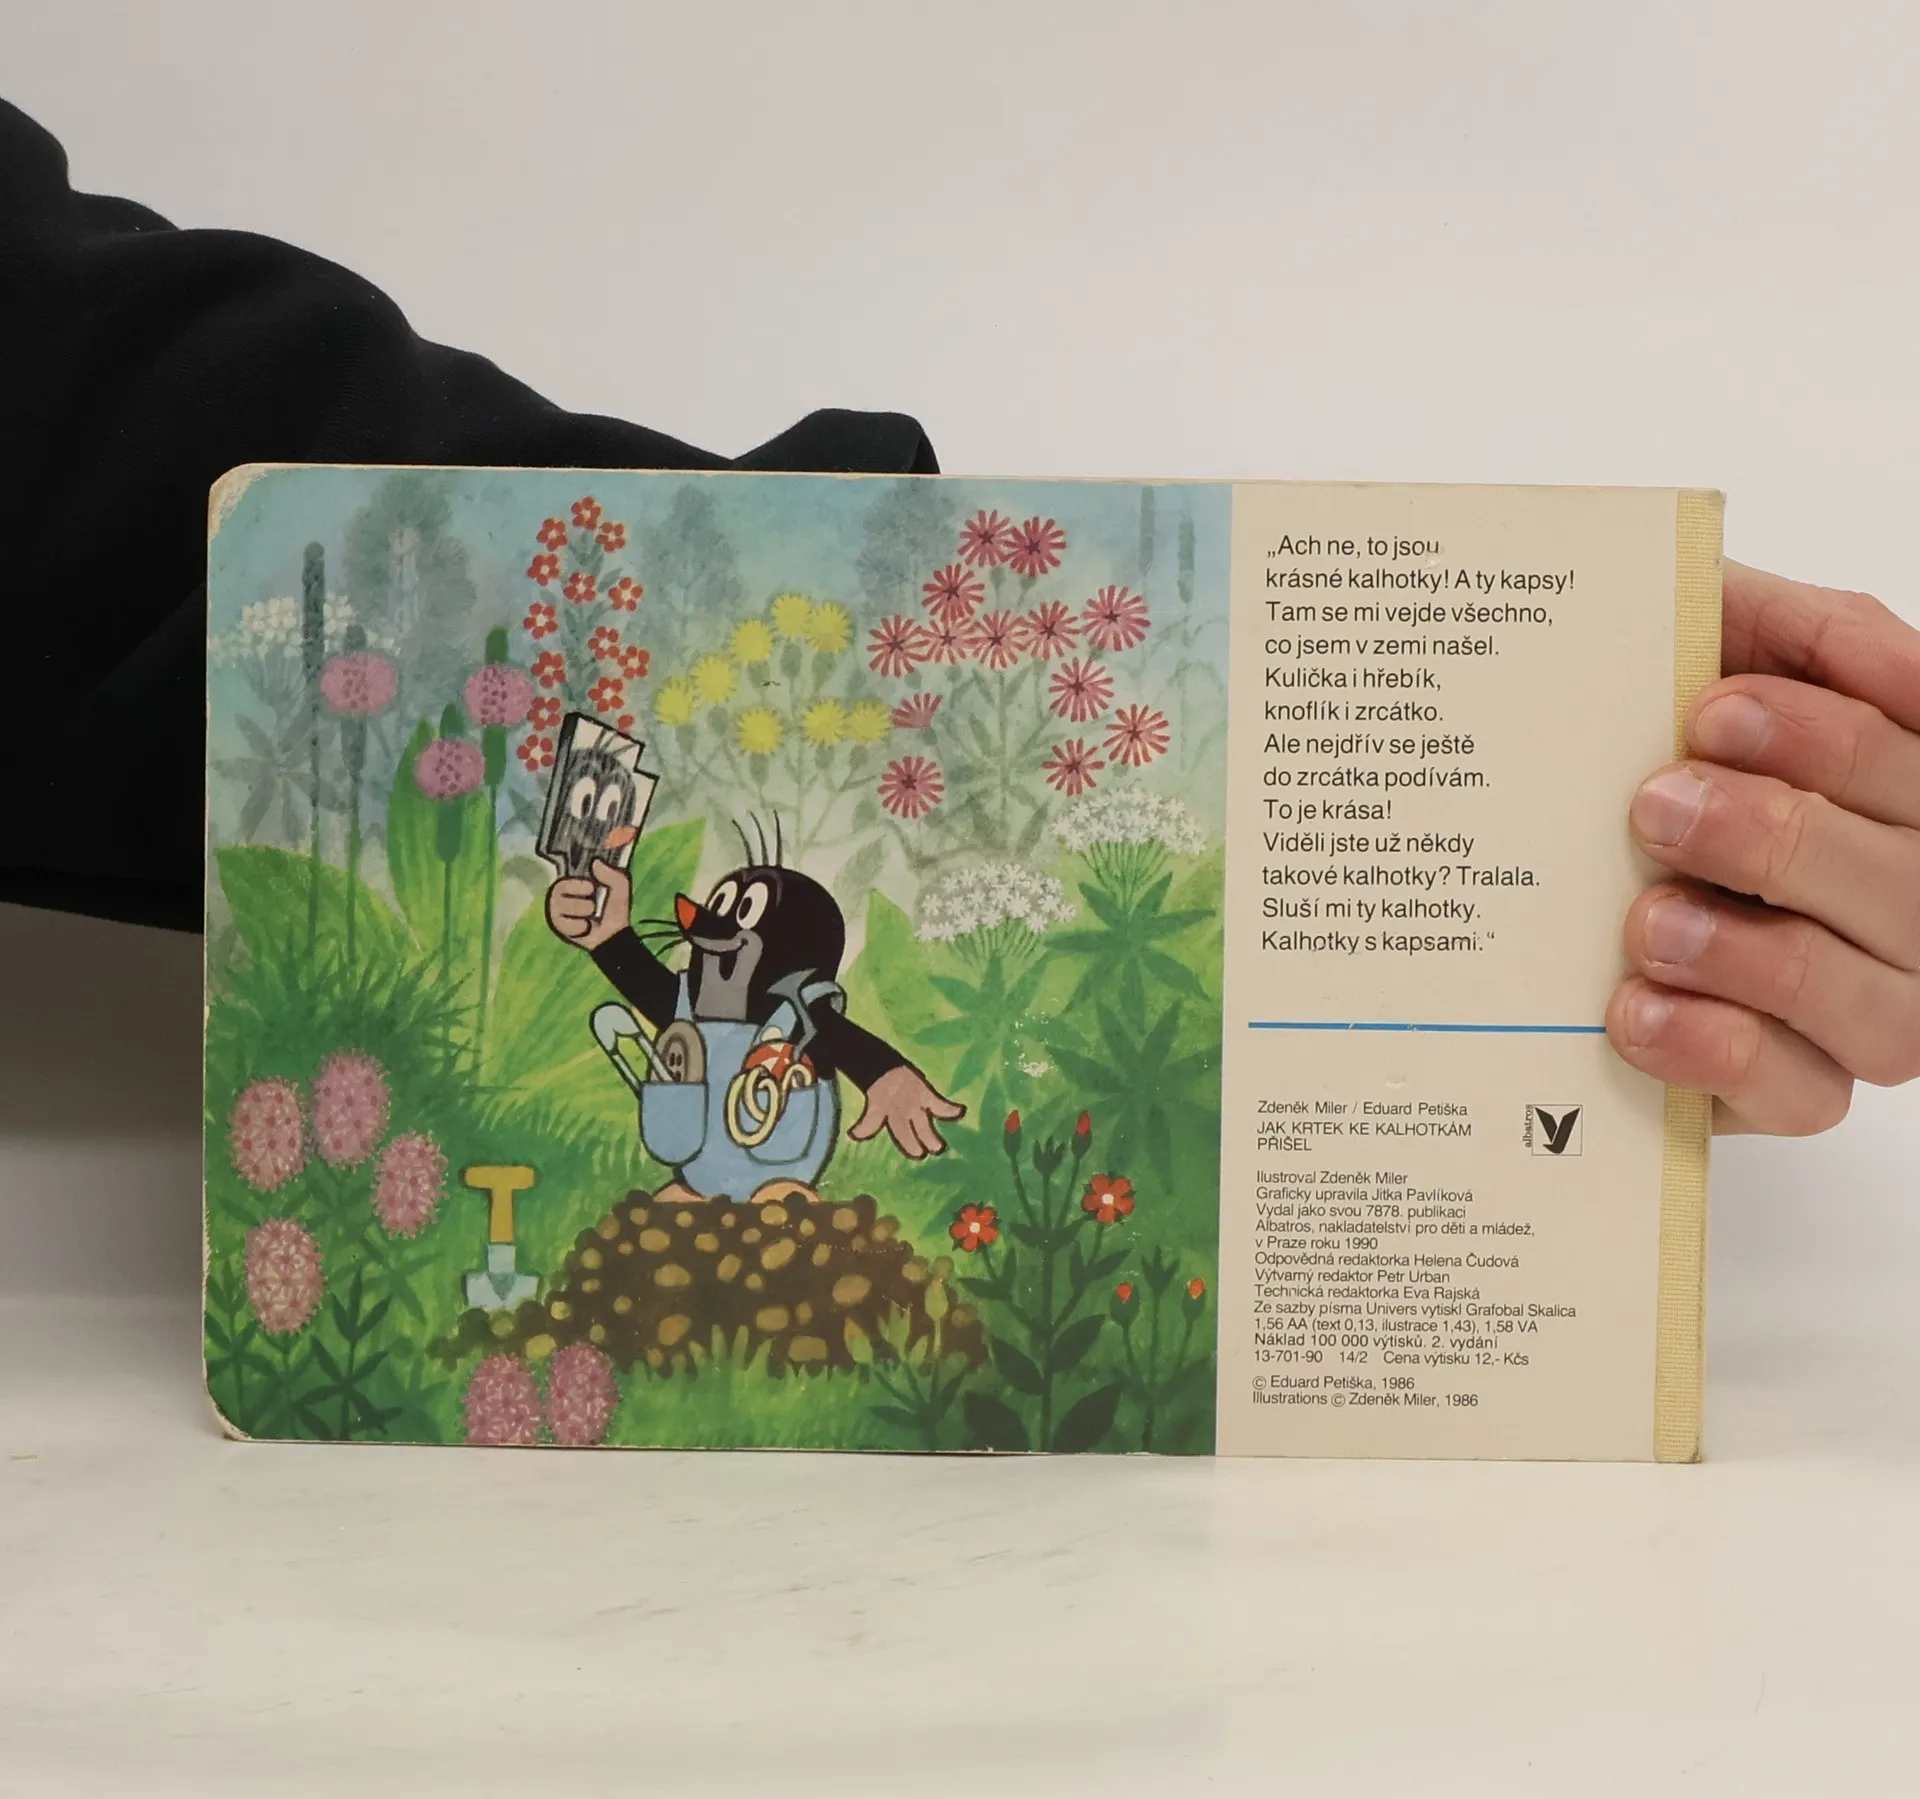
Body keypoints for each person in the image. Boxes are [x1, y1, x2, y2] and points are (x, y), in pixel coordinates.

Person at [4, 99, 1912, 1142]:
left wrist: (1439, 725)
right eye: (720, 919)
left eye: (728, 924)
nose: (706, 928)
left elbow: (87, 453)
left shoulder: (784, 1017)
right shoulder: (712, 1009)